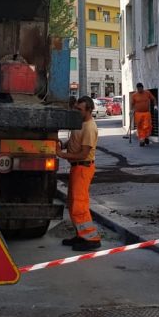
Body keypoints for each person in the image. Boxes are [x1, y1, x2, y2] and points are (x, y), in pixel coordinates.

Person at [57, 95, 102, 251]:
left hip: (83, 167)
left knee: (79, 205)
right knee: (72, 202)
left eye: (79, 109)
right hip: (77, 168)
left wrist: (62, 154)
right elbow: (73, 141)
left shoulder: (90, 127)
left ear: (89, 110)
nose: (76, 111)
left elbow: (83, 154)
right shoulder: (80, 124)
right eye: (76, 108)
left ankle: (92, 239)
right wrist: (62, 144)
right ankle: (80, 235)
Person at [129, 82, 157, 146]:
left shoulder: (147, 93)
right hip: (138, 113)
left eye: (140, 88)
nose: (139, 90)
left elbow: (153, 99)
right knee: (140, 126)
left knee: (148, 126)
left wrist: (155, 106)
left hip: (146, 112)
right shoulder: (134, 95)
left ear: (142, 88)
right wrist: (131, 110)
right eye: (138, 89)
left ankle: (146, 137)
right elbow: (132, 104)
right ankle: (142, 139)